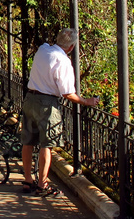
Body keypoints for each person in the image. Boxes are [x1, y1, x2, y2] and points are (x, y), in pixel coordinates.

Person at [20, 29, 99, 198]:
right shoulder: (63, 61)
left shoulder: (43, 49)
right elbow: (67, 93)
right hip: (47, 104)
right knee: (46, 145)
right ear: (71, 47)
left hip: (30, 99)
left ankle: (28, 179)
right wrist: (86, 101)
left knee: (28, 141)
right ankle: (42, 183)